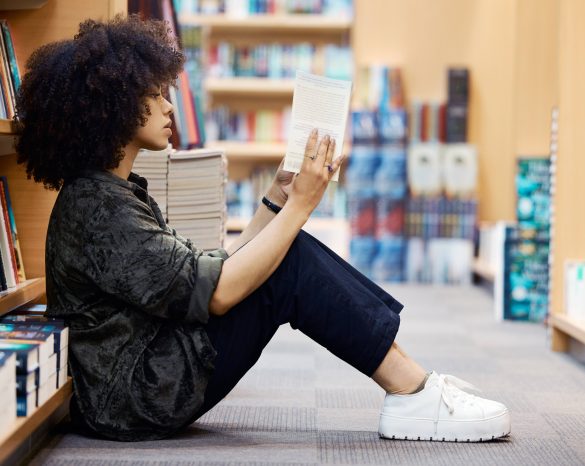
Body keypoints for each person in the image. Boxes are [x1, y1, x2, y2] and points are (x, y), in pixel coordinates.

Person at [15, 15, 511, 443]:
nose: (169, 107)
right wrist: (301, 207)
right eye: (153, 95)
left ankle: (413, 382)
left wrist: (277, 199)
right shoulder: (101, 211)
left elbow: (210, 276)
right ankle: (412, 391)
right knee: (288, 261)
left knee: (282, 255)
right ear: (111, 110)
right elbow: (221, 295)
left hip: (145, 373)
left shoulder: (108, 194)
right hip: (140, 396)